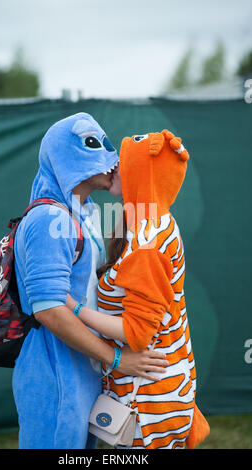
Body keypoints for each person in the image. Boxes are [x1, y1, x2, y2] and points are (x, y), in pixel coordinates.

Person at [12, 113, 168, 449]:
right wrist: (116, 359)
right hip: (54, 370)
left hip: (83, 366)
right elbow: (49, 310)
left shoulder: (85, 212)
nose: (112, 157)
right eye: (94, 144)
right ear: (67, 156)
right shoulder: (49, 218)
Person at [66, 129, 210, 449]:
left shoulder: (148, 243)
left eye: (122, 164)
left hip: (150, 404)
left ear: (141, 175)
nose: (113, 167)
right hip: (153, 393)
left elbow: (136, 333)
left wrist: (75, 309)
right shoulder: (146, 223)